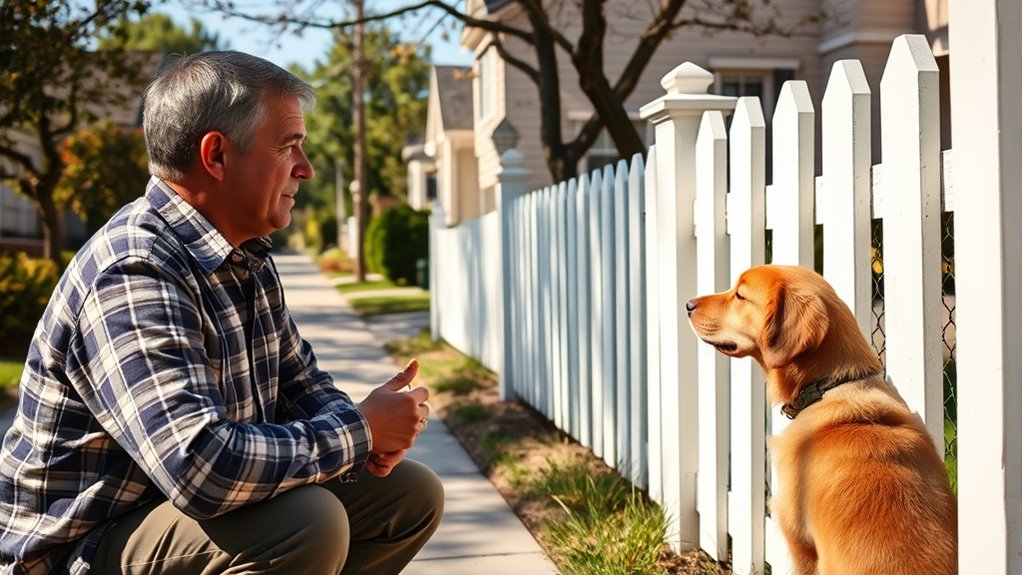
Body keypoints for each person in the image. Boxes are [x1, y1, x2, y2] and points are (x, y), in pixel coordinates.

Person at [0, 51, 443, 575]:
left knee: (408, 496)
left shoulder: (244, 256)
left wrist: (369, 437)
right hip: (80, 550)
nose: (306, 168)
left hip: (173, 515)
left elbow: (299, 383)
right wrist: (360, 431)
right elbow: (200, 466)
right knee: (306, 523)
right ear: (217, 155)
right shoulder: (135, 270)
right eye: (289, 146)